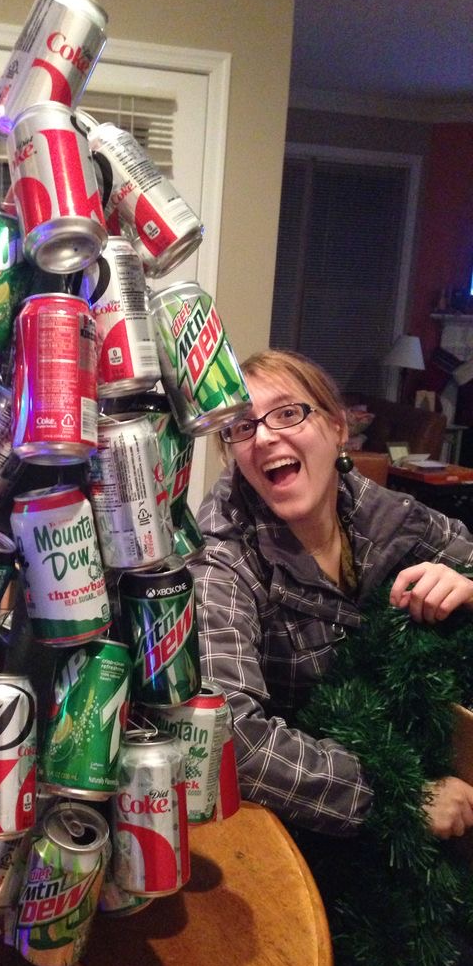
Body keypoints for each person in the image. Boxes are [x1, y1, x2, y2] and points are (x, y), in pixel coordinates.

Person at [190, 348, 473, 840]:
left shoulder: (385, 514)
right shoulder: (221, 557)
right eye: (242, 426)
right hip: (304, 827)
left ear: (338, 428)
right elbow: (228, 736)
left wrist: (468, 587)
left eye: (287, 413)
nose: (264, 436)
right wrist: (398, 796)